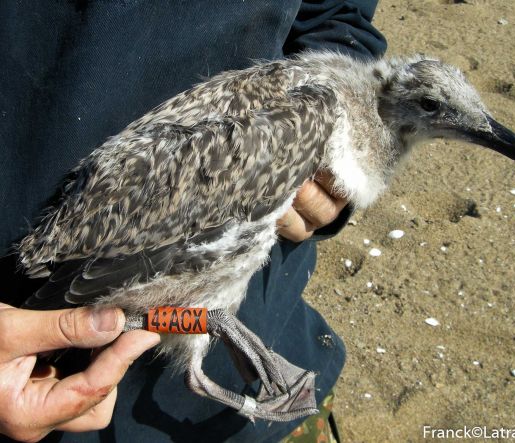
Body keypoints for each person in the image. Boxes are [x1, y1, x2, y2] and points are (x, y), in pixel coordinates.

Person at [0, 1, 386, 441]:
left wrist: (332, 167)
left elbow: (338, 21)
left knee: (196, 328)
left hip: (257, 330)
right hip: (27, 337)